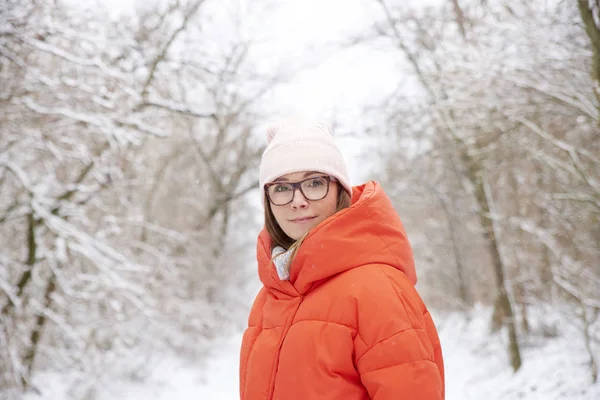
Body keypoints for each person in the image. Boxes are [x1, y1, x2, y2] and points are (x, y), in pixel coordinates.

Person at [239, 118, 445, 400]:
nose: (298, 200)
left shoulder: (378, 289)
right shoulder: (269, 297)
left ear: (339, 191)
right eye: (282, 188)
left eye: (314, 182)